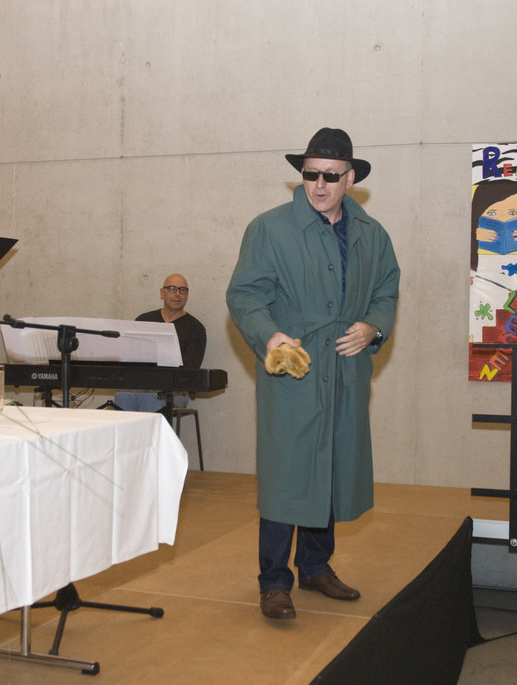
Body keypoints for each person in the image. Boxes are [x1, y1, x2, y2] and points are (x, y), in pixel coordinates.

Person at [226, 127, 400, 619]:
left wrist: (373, 326)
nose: (319, 184)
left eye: (330, 176)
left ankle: (316, 566)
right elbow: (245, 296)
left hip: (345, 366)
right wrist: (269, 336)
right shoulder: (269, 228)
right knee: (287, 475)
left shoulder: (372, 234)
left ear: (350, 179)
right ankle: (273, 582)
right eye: (310, 174)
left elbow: (386, 290)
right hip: (294, 366)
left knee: (333, 468)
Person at [113, 273, 207, 412]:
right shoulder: (143, 320)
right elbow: (131, 359)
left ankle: (152, 428)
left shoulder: (195, 328)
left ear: (187, 296)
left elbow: (190, 370)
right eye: (172, 288)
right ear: (162, 293)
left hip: (175, 391)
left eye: (183, 290)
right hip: (141, 385)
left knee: (150, 396)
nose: (177, 294)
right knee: (123, 395)